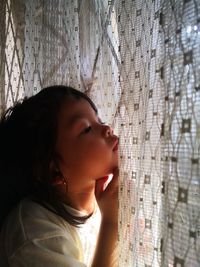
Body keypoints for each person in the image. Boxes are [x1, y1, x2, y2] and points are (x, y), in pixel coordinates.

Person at [0, 85, 119, 267]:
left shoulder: (99, 203)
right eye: (86, 129)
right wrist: (111, 222)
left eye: (99, 119)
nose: (107, 128)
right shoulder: (34, 233)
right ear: (53, 171)